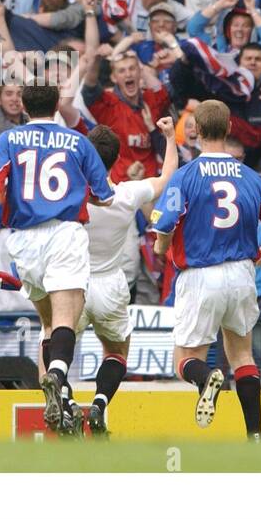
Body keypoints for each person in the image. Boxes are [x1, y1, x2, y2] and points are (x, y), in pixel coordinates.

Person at [0, 81, 116, 435]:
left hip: (24, 239)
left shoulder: (9, 140)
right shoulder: (78, 141)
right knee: (65, 318)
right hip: (64, 232)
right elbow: (104, 197)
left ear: (24, 108)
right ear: (57, 104)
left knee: (46, 323)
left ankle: (56, 397)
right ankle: (58, 376)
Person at [149, 99, 261, 438]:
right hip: (241, 273)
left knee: (184, 359)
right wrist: (260, 257)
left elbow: (164, 225)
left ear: (194, 130)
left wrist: (160, 248)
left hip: (201, 274)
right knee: (242, 355)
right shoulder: (251, 177)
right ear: (229, 129)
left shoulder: (186, 176)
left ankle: (205, 377)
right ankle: (255, 434)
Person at [77, 116, 178, 437]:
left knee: (52, 344)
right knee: (117, 353)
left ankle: (63, 398)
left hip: (73, 284)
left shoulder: (68, 196)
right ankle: (100, 402)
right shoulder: (127, 195)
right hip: (111, 285)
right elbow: (166, 179)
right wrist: (170, 138)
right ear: (116, 160)